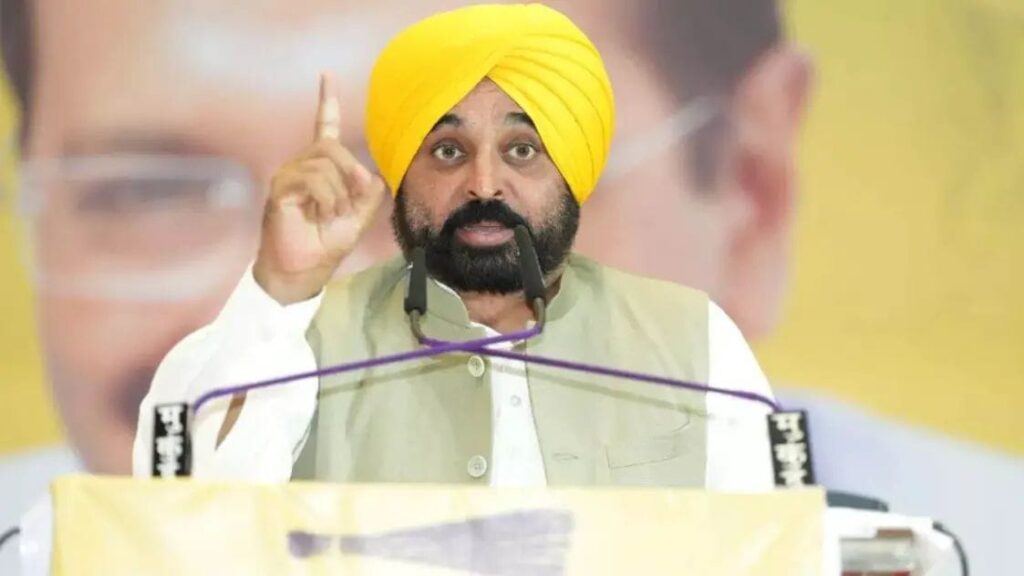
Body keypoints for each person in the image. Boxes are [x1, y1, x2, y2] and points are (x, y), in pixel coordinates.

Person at [132, 4, 776, 488]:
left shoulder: (692, 340)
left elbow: (774, 546)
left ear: (572, 172)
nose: (485, 183)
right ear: (400, 176)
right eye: (447, 151)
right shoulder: (296, 336)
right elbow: (175, 522)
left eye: (522, 150)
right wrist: (279, 291)